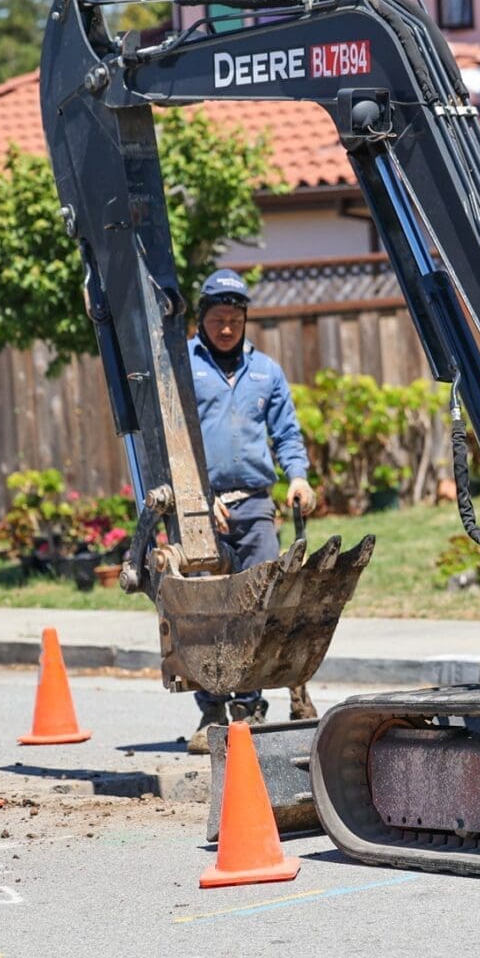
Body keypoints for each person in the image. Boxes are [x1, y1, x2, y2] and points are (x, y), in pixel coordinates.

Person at [185, 268, 319, 754]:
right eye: (218, 318)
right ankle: (210, 710)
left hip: (256, 505)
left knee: (262, 605)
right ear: (202, 318)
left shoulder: (266, 371)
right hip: (200, 510)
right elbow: (173, 437)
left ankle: (248, 705)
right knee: (207, 610)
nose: (226, 328)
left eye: (234, 320)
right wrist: (197, 495)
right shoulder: (183, 368)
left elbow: (286, 433)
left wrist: (298, 476)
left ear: (245, 321)